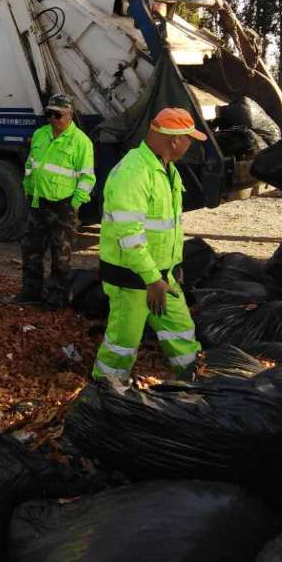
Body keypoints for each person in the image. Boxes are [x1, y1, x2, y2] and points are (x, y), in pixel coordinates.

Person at [92, 107, 206, 382]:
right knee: (122, 343)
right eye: (189, 138)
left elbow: (167, 229)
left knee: (180, 330)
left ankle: (195, 377)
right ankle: (104, 391)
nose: (191, 144)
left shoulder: (166, 170)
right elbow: (129, 235)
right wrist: (153, 280)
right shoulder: (133, 173)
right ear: (175, 140)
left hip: (160, 277)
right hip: (132, 279)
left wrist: (167, 272)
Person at [16, 93, 95, 307]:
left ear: (69, 114)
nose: (53, 119)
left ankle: (55, 298)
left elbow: (88, 178)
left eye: (58, 115)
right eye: (49, 114)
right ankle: (31, 293)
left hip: (63, 206)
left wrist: (74, 203)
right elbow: (32, 165)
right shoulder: (40, 134)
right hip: (37, 202)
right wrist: (28, 189)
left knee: (61, 256)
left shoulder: (81, 142)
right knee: (31, 250)